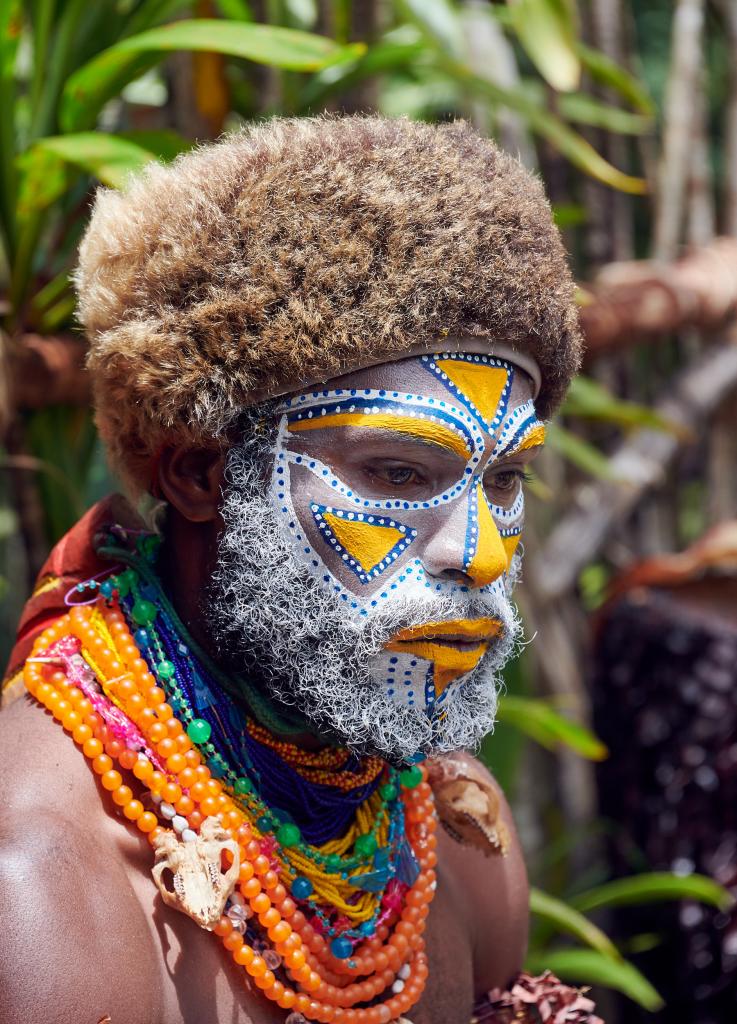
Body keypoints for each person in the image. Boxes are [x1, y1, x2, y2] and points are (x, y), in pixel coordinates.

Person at [0, 116, 601, 1024]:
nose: (475, 551)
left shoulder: (452, 828)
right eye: (398, 473)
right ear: (201, 474)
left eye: (505, 478)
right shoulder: (44, 885)